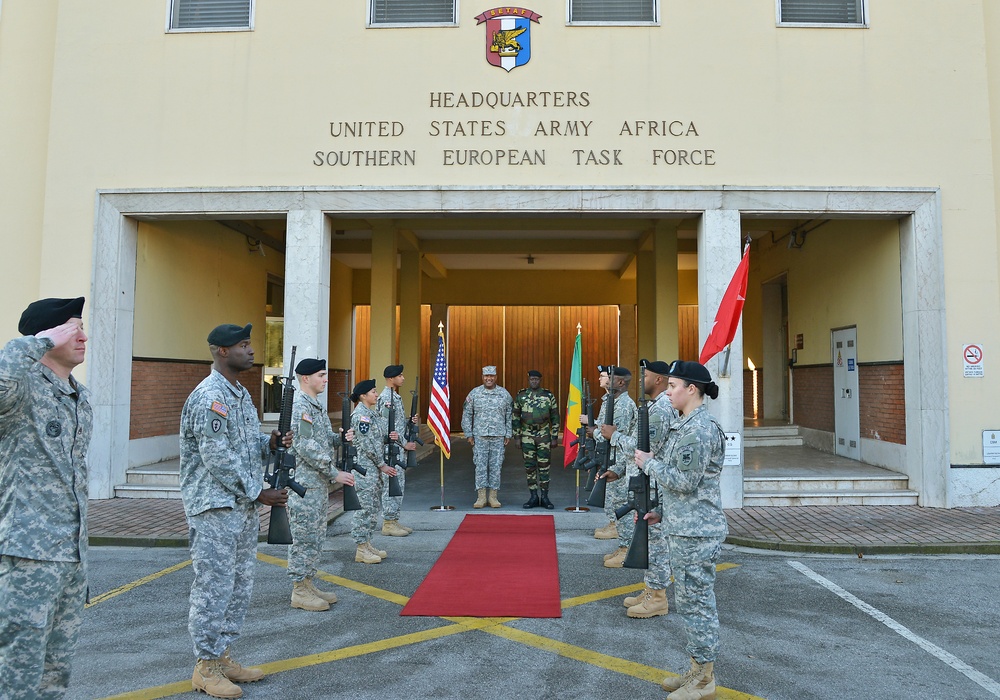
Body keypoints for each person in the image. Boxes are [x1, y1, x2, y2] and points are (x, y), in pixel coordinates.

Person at [179, 323, 291, 699]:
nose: (250, 351)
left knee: (239, 584)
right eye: (242, 345)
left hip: (238, 505)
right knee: (213, 585)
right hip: (214, 506)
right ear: (220, 351)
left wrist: (267, 441)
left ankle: (223, 655)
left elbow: (240, 443)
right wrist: (259, 491)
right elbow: (216, 456)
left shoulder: (239, 393)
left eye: (249, 344)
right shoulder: (210, 395)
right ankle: (205, 666)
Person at [0, 297, 91, 699]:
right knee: (16, 673)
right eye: (74, 328)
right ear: (47, 335)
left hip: (71, 557)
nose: (84, 336)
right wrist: (35, 343)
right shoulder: (19, 388)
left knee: (56, 673)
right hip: (27, 557)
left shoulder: (78, 396)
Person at [634, 360, 727, 700]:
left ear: (692, 389)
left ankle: (704, 680)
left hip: (697, 533)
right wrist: (662, 512)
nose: (668, 391)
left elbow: (685, 482)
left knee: (697, 605)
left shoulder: (699, 430)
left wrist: (649, 463)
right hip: (684, 527)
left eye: (673, 386)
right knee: (690, 603)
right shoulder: (685, 425)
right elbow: (684, 487)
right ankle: (697, 669)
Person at [286, 357, 356, 612]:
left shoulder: (315, 406)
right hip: (304, 486)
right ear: (306, 378)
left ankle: (308, 582)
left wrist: (339, 438)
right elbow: (304, 446)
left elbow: (322, 439)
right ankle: (299, 590)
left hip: (316, 486)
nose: (326, 379)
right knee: (304, 538)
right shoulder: (299, 407)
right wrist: (333, 471)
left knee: (315, 537)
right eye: (321, 375)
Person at [620, 359, 677, 619]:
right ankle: (650, 591)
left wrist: (614, 436)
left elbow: (646, 447)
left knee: (655, 542)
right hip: (652, 482)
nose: (641, 381)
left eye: (646, 376)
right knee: (649, 539)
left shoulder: (662, 409)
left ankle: (657, 598)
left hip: (657, 484)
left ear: (658, 379)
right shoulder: (656, 406)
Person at [349, 378, 401, 564]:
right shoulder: (360, 416)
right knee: (364, 509)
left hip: (373, 470)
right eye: (373, 391)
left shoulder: (372, 415)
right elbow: (367, 444)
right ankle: (361, 547)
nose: (376, 394)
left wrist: (389, 437)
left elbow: (377, 438)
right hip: (366, 470)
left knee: (372, 508)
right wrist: (382, 465)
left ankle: (367, 543)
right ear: (363, 395)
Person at [593, 365, 638, 568]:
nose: (605, 381)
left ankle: (627, 549)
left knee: (623, 507)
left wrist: (593, 431)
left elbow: (615, 435)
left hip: (621, 461)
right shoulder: (613, 402)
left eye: (610, 378)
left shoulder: (623, 405)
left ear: (620, 382)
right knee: (615, 503)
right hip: (614, 460)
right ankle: (623, 546)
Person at [461, 365, 513, 508]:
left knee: (496, 466)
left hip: (498, 435)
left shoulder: (504, 394)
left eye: (491, 376)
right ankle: (481, 497)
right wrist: (468, 434)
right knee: (480, 466)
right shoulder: (474, 393)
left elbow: (509, 415)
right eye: (486, 376)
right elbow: (467, 414)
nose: (489, 378)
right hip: (480, 436)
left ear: (496, 377)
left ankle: (493, 497)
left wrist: (508, 433)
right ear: (482, 377)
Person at [378, 364, 418, 537]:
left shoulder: (395, 397)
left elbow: (398, 424)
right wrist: (404, 444)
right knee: (391, 485)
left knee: (398, 484)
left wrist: (410, 421)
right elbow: (388, 428)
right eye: (400, 375)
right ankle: (388, 522)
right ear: (391, 378)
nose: (403, 378)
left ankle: (393, 519)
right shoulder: (387, 399)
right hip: (391, 449)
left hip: (397, 448)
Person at [512, 369, 560, 509]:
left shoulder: (548, 395)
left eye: (536, 379)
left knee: (544, 467)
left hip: (544, 434)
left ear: (540, 380)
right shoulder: (521, 395)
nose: (534, 381)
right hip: (527, 435)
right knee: (530, 467)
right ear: (528, 380)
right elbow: (515, 417)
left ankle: (545, 497)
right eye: (532, 379)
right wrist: (517, 437)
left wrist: (555, 436)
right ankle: (533, 497)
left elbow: (555, 417)